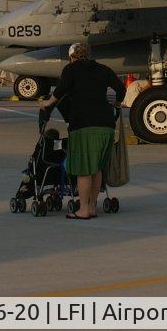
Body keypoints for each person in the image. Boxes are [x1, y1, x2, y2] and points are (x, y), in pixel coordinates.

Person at [37, 43, 123, 220]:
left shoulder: (71, 69)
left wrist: (48, 103)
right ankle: (91, 207)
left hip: (84, 124)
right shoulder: (103, 69)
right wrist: (117, 103)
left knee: (84, 170)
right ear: (89, 55)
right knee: (97, 168)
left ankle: (83, 209)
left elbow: (60, 90)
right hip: (106, 124)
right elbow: (121, 89)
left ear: (72, 56)